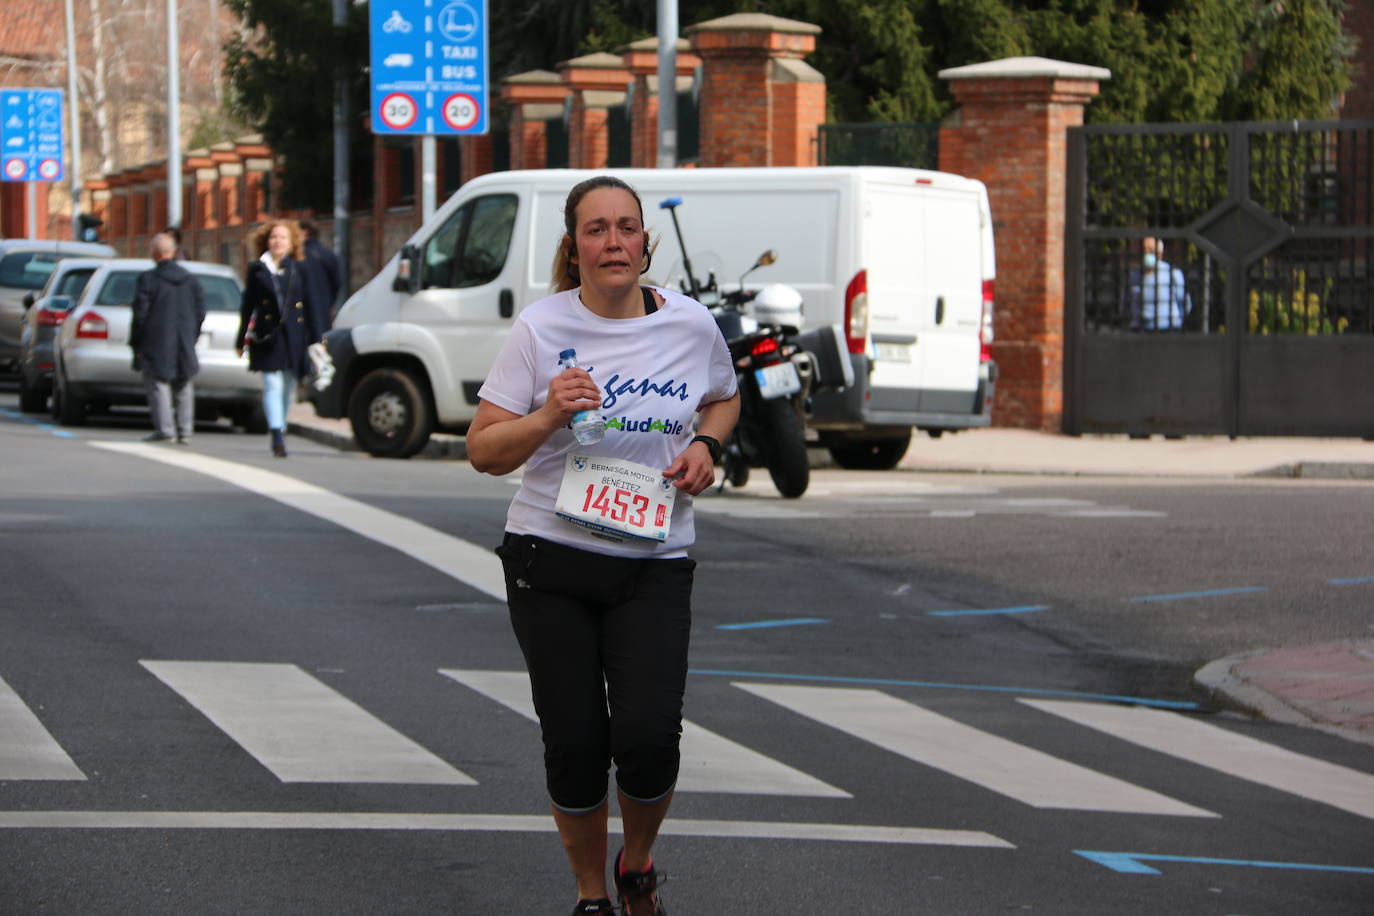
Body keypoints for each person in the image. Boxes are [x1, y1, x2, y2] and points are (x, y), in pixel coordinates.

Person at [466, 176, 740, 916]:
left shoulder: (689, 324)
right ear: (573, 246)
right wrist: (550, 414)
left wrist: (709, 444)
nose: (613, 242)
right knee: (577, 742)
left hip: (653, 562)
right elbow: (484, 451)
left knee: (650, 738)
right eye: (596, 230)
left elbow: (725, 390)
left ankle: (637, 863)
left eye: (626, 228)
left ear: (644, 242)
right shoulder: (539, 329)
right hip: (549, 561)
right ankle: (591, 895)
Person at [235, 219, 324, 457]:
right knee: (272, 385)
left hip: (293, 336)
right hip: (267, 336)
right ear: (266, 241)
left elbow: (312, 305)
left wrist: (317, 339)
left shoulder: (300, 269)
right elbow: (248, 306)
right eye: (274, 237)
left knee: (288, 387)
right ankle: (276, 434)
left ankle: (281, 428)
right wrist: (240, 339)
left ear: (291, 242)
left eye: (283, 238)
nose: (277, 242)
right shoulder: (257, 269)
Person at [129, 232, 205, 444]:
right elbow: (200, 311)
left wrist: (136, 340)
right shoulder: (190, 280)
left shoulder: (148, 279)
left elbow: (140, 313)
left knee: (158, 383)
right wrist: (192, 334)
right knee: (183, 381)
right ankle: (185, 429)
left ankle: (165, 429)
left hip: (155, 339)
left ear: (154, 253)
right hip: (184, 338)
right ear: (172, 252)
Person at [1129, 236, 1193, 331]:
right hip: (1140, 330)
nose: (1146, 253)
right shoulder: (1134, 275)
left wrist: (1177, 321)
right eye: (1144, 250)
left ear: (1159, 254)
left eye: (1150, 250)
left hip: (1168, 329)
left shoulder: (1173, 274)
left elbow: (1184, 302)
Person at [298, 218, 342, 331]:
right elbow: (337, 282)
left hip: (301, 311)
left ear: (305, 232)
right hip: (324, 307)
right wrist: (328, 301)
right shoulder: (329, 254)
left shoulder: (297, 255)